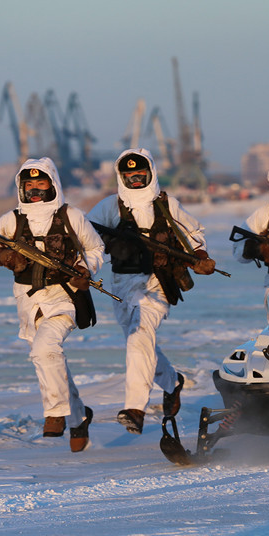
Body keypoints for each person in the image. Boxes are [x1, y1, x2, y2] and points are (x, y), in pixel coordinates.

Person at [0, 157, 105, 452]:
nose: (34, 189)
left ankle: (55, 414)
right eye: (29, 184)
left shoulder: (71, 215)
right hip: (28, 302)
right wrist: (2, 256)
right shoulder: (13, 219)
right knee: (51, 361)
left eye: (41, 183)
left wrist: (84, 268)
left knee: (45, 349)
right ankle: (79, 417)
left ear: (52, 184)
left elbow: (96, 247)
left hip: (64, 297)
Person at [87, 148, 216, 434]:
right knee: (141, 344)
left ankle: (135, 408)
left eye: (140, 173)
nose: (135, 178)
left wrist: (200, 257)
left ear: (150, 173)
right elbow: (86, 238)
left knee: (139, 337)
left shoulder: (167, 204)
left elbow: (194, 234)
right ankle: (173, 382)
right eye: (129, 174)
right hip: (122, 284)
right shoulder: (109, 206)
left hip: (158, 283)